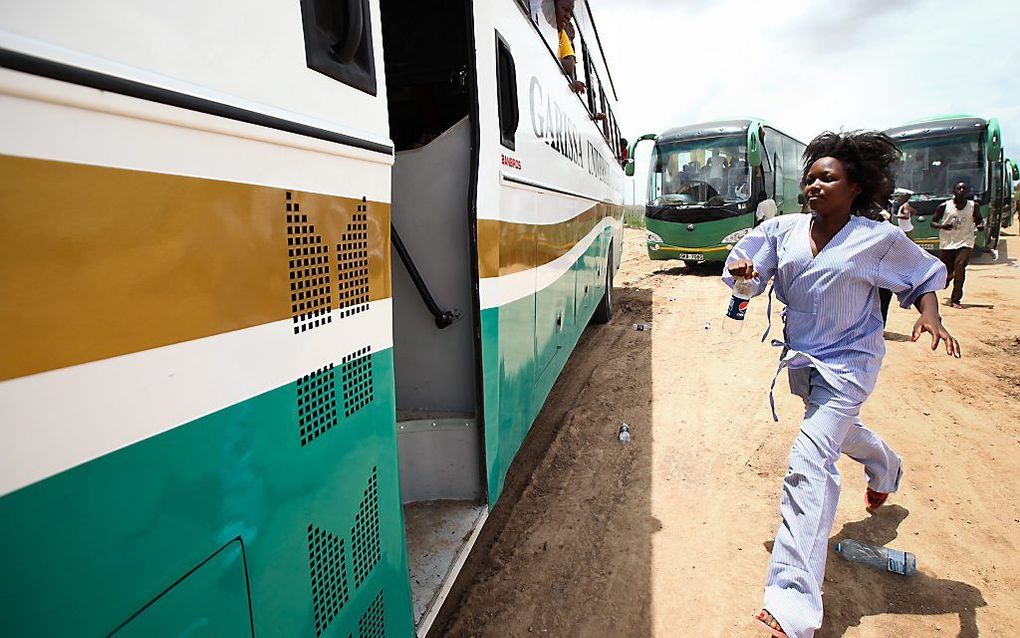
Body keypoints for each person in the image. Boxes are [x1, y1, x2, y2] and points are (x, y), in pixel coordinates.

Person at [723, 131, 960, 638]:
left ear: (855, 187)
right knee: (836, 430)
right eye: (809, 178)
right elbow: (748, 282)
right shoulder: (781, 231)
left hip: (852, 364)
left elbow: (921, 277)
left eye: (827, 178)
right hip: (805, 362)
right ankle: (885, 466)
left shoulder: (877, 239)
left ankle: (792, 607)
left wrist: (932, 316)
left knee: (809, 462)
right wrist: (744, 276)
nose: (814, 186)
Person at [931, 181, 983, 309]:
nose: (961, 191)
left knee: (960, 267)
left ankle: (956, 299)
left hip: (966, 242)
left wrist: (980, 225)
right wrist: (943, 226)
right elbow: (933, 222)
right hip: (948, 243)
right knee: (947, 271)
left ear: (967, 192)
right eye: (959, 188)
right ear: (953, 191)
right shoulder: (944, 206)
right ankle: (948, 277)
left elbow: (979, 219)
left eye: (964, 189)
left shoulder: (973, 206)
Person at [555, 0, 585, 93]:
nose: (568, 16)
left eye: (571, 14)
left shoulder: (562, 34)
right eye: (565, 9)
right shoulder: (558, 32)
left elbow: (569, 66)